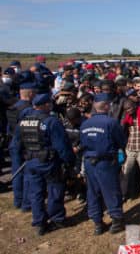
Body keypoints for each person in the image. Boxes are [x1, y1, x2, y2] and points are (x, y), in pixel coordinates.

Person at [14, 93, 75, 235]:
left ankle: (39, 222)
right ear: (44, 105)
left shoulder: (23, 121)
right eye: (49, 103)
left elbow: (18, 142)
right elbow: (62, 145)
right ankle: (57, 218)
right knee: (54, 190)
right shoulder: (51, 121)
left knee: (36, 193)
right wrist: (69, 161)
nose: (51, 105)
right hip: (48, 162)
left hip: (30, 161)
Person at [80, 93, 127, 235]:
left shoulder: (85, 124)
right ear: (107, 106)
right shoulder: (111, 122)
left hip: (89, 161)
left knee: (93, 192)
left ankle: (97, 223)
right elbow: (121, 141)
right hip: (105, 162)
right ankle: (116, 220)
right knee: (111, 191)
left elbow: (82, 143)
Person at [7, 81, 36, 210]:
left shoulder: (13, 108)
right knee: (26, 173)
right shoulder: (28, 109)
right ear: (30, 94)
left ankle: (18, 199)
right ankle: (26, 201)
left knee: (16, 170)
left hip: (14, 140)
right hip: (24, 142)